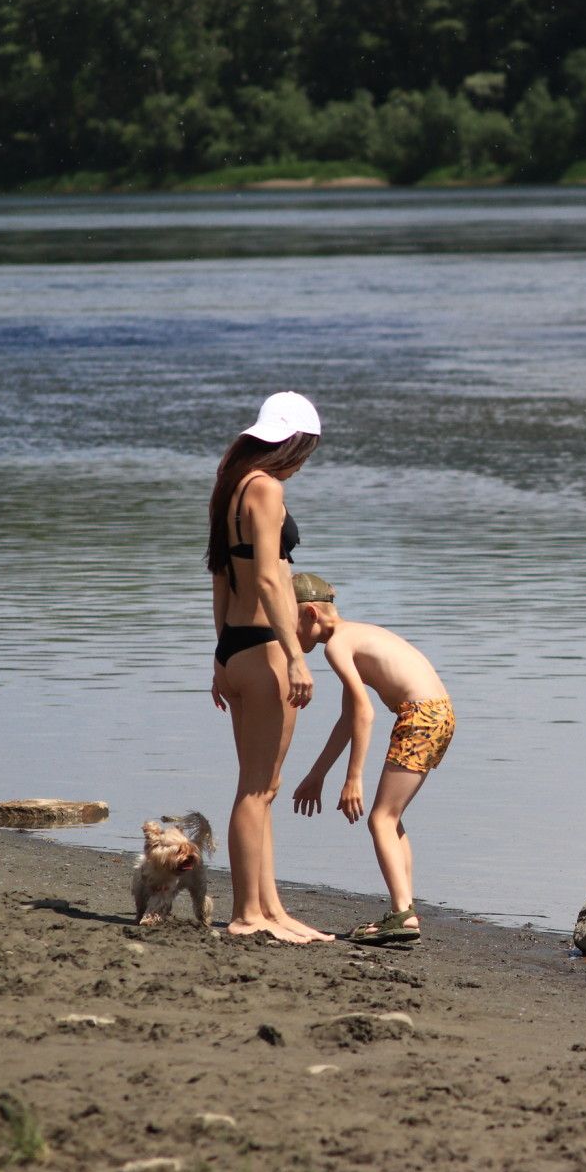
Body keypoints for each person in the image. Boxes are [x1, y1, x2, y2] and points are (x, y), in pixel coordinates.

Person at [205, 391, 333, 944]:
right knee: (256, 791)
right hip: (263, 650)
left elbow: (219, 578)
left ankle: (270, 908)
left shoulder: (231, 487)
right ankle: (245, 915)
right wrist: (297, 657)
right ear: (293, 443)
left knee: (265, 788)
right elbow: (266, 579)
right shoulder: (266, 487)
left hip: (237, 646)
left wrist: (219, 655)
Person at [287, 572, 455, 945]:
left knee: (380, 818)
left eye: (289, 625)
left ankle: (403, 916)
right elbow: (348, 718)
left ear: (311, 613)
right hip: (439, 714)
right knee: (391, 819)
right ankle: (405, 908)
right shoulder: (355, 636)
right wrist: (317, 774)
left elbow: (364, 714)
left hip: (420, 715)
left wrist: (353, 778)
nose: (290, 640)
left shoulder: (337, 647)